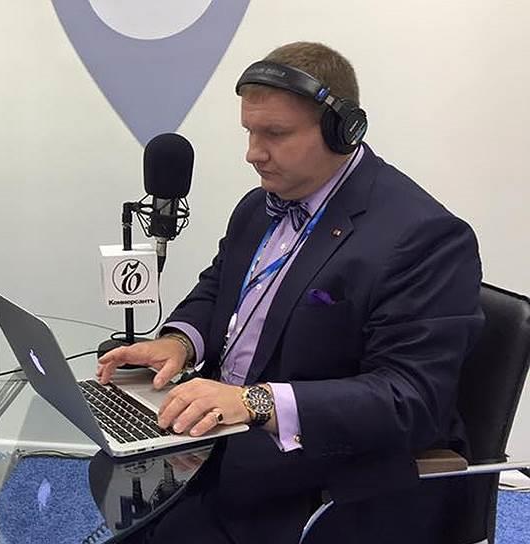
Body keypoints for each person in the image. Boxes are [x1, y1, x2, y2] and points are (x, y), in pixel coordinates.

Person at [97, 42, 485, 543]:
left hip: (322, 480)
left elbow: (410, 398)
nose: (253, 153)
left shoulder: (423, 236)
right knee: (116, 490)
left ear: (343, 130)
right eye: (249, 132)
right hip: (217, 444)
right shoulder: (259, 206)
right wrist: (179, 342)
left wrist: (254, 403)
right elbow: (218, 287)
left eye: (275, 134)